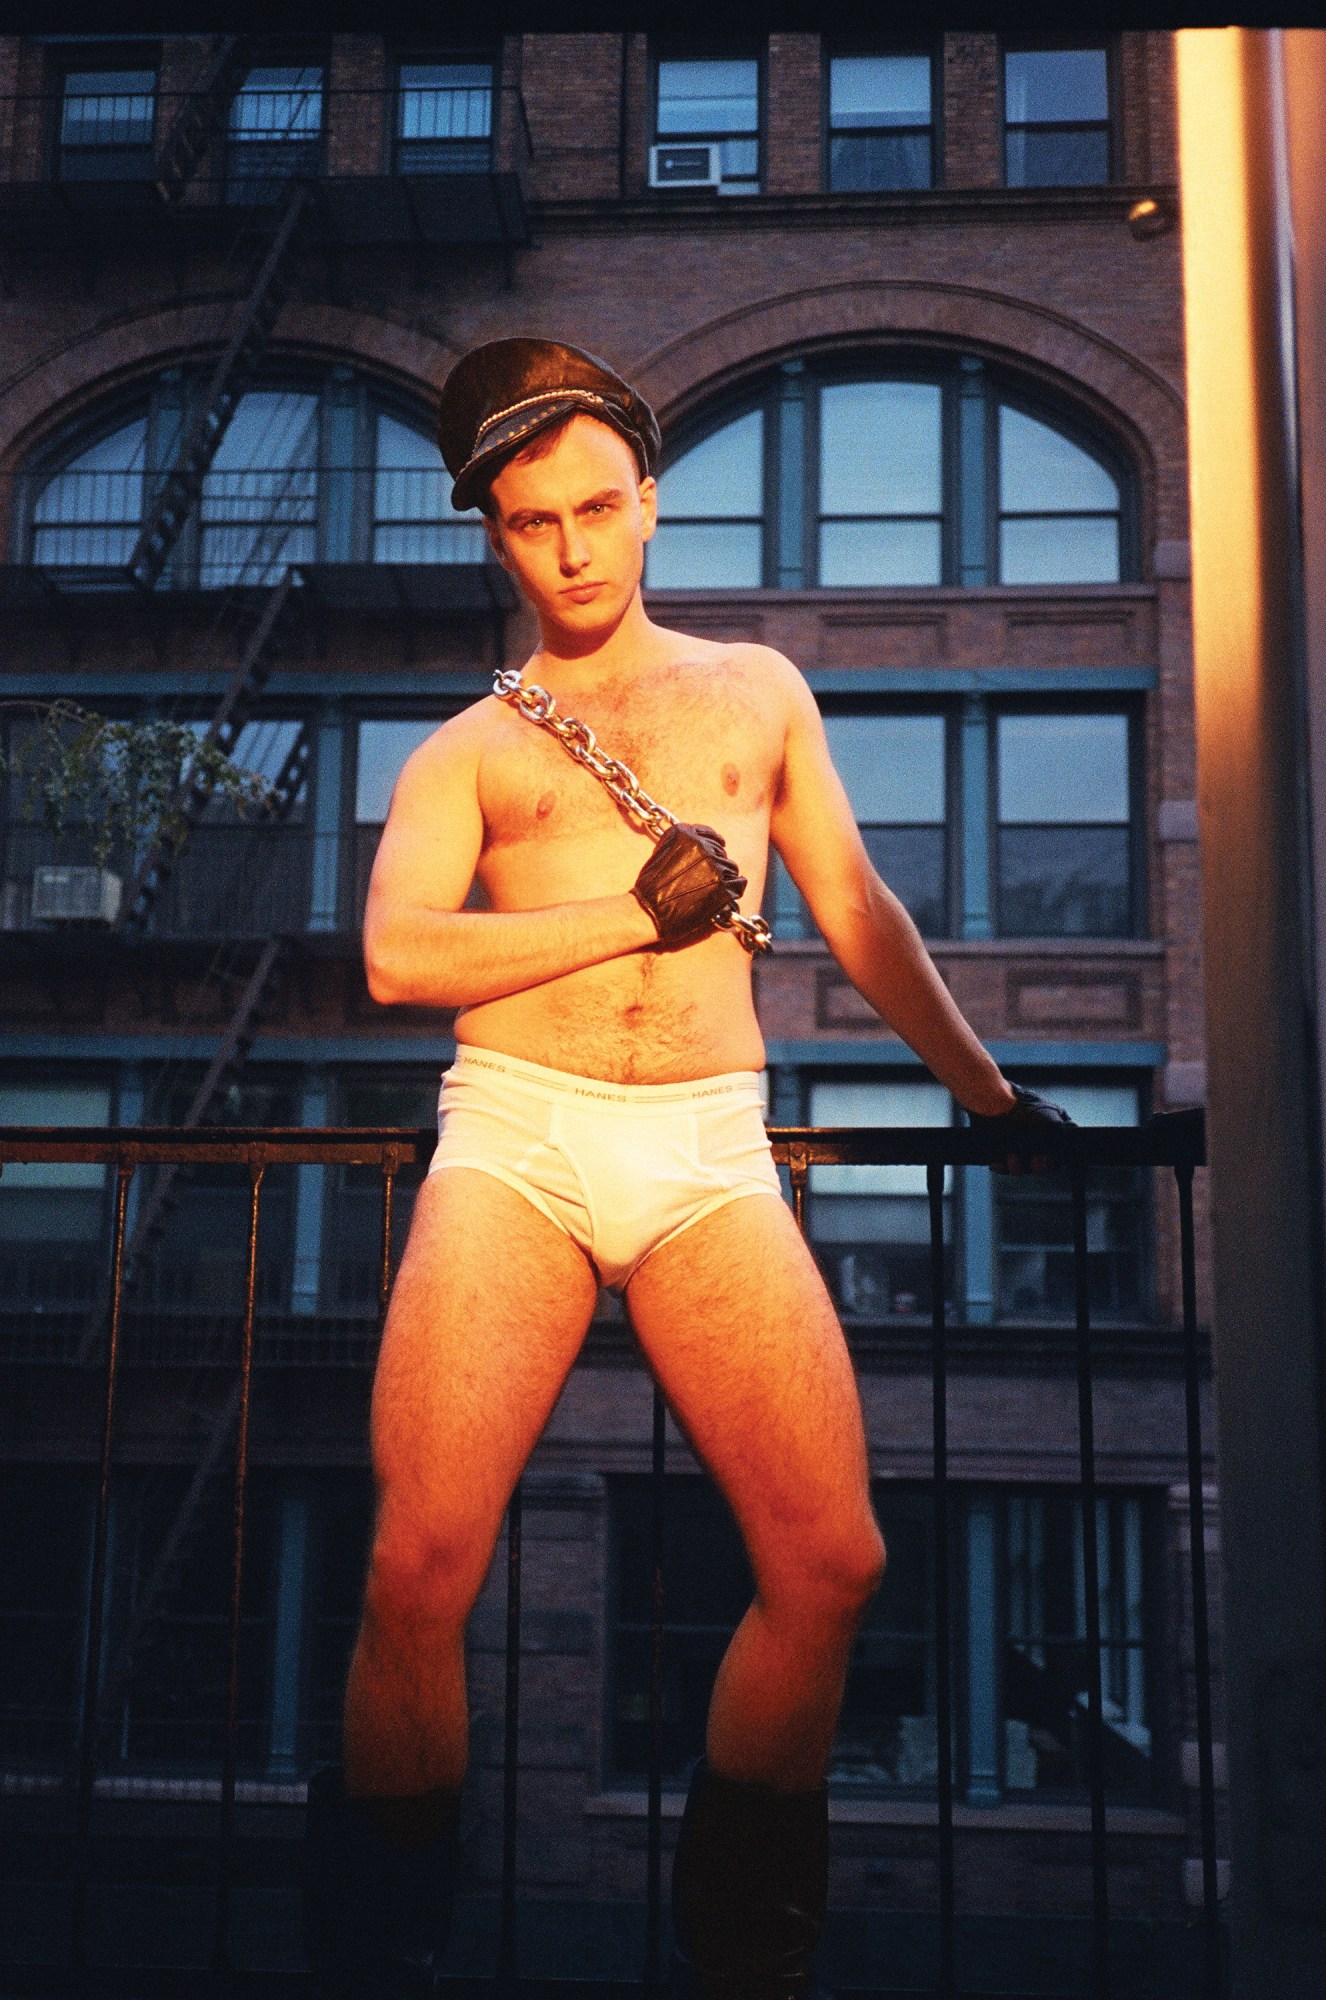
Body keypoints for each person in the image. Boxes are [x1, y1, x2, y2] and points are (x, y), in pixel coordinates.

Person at [301, 338, 1070, 1999]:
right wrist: (621, 913)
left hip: (711, 1148)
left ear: (649, 501)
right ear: (493, 539)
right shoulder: (468, 750)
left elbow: (858, 910)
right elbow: (393, 959)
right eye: (528, 523)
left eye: (594, 507)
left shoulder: (753, 689)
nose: (570, 548)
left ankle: (739, 1951)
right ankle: (384, 1945)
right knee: (414, 1566)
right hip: (516, 1135)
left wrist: (993, 1103)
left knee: (833, 1561)